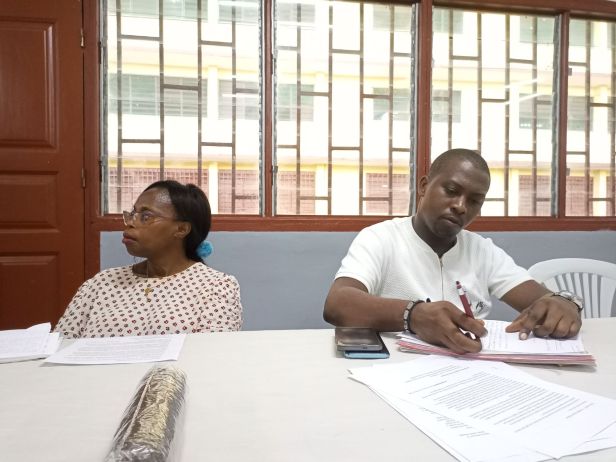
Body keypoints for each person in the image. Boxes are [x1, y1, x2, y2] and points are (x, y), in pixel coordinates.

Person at [323, 148, 583, 354]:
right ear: (424, 187)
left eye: (474, 200)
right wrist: (413, 315)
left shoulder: (482, 250)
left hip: (472, 371)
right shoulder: (381, 238)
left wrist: (565, 304)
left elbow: (543, 300)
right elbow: (337, 304)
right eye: (451, 191)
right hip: (398, 368)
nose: (461, 206)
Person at [55, 180, 242, 337]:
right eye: (132, 214)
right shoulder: (101, 283)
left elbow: (212, 356)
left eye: (146, 216)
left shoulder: (215, 287)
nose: (130, 223)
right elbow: (60, 345)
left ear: (181, 229)